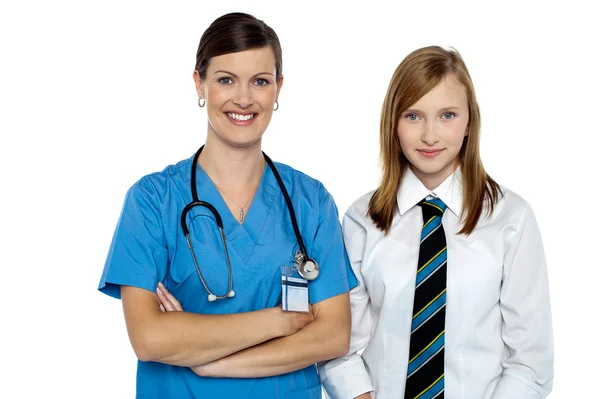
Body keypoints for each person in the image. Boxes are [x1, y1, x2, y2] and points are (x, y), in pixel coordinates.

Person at [98, 12, 357, 399]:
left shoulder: (310, 201)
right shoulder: (152, 200)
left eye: (260, 81)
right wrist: (281, 321)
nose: (244, 98)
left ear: (278, 88)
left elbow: (334, 335)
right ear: (199, 83)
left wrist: (208, 359)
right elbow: (149, 338)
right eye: (225, 80)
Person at [318, 46, 553, 399]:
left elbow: (530, 363)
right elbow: (339, 345)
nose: (430, 135)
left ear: (469, 121)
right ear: (393, 123)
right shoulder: (362, 220)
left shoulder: (511, 219)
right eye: (413, 116)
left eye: (447, 115)